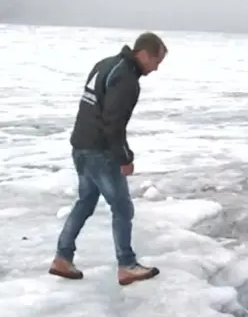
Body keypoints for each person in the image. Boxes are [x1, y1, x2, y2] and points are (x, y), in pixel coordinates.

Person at [49, 32, 167, 286]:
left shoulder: (105, 65)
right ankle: (127, 265)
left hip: (81, 146)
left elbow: (93, 109)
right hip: (100, 152)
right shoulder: (126, 78)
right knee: (122, 207)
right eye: (157, 61)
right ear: (144, 54)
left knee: (86, 202)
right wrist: (124, 157)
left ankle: (62, 257)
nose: (156, 69)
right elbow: (113, 123)